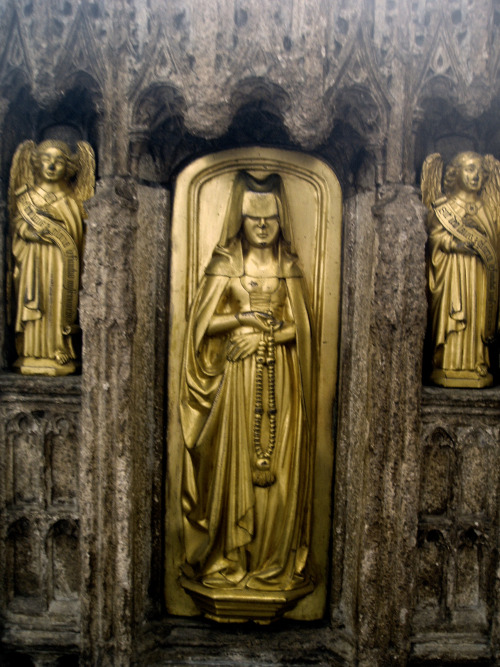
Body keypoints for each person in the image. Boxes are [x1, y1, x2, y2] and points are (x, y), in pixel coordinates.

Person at [180, 171, 313, 591]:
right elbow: (200, 326)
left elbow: (305, 329)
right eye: (253, 218)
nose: (261, 227)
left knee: (280, 471)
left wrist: (265, 335)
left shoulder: (288, 264)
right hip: (236, 382)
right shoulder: (225, 261)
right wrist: (241, 319)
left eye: (269, 219)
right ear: (239, 217)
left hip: (282, 380)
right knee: (232, 465)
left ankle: (272, 563)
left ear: (280, 219)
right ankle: (226, 558)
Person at [9, 139, 94, 375]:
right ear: (37, 163)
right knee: (34, 299)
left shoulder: (73, 201)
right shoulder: (28, 198)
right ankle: (29, 350)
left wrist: (61, 230)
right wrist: (30, 233)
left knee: (58, 300)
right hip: (33, 262)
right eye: (46, 159)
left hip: (60, 263)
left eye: (58, 161)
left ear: (68, 166)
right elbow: (18, 229)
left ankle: (60, 347)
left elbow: (78, 234)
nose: (52, 165)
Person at [426, 151, 499, 387]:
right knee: (453, 315)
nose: (475, 175)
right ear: (455, 173)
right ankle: (447, 363)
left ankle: (478, 362)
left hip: (478, 275)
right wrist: (455, 245)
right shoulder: (444, 207)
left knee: (477, 316)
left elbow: (494, 243)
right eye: (469, 169)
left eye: (478, 170)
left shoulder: (487, 208)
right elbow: (434, 240)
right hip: (454, 272)